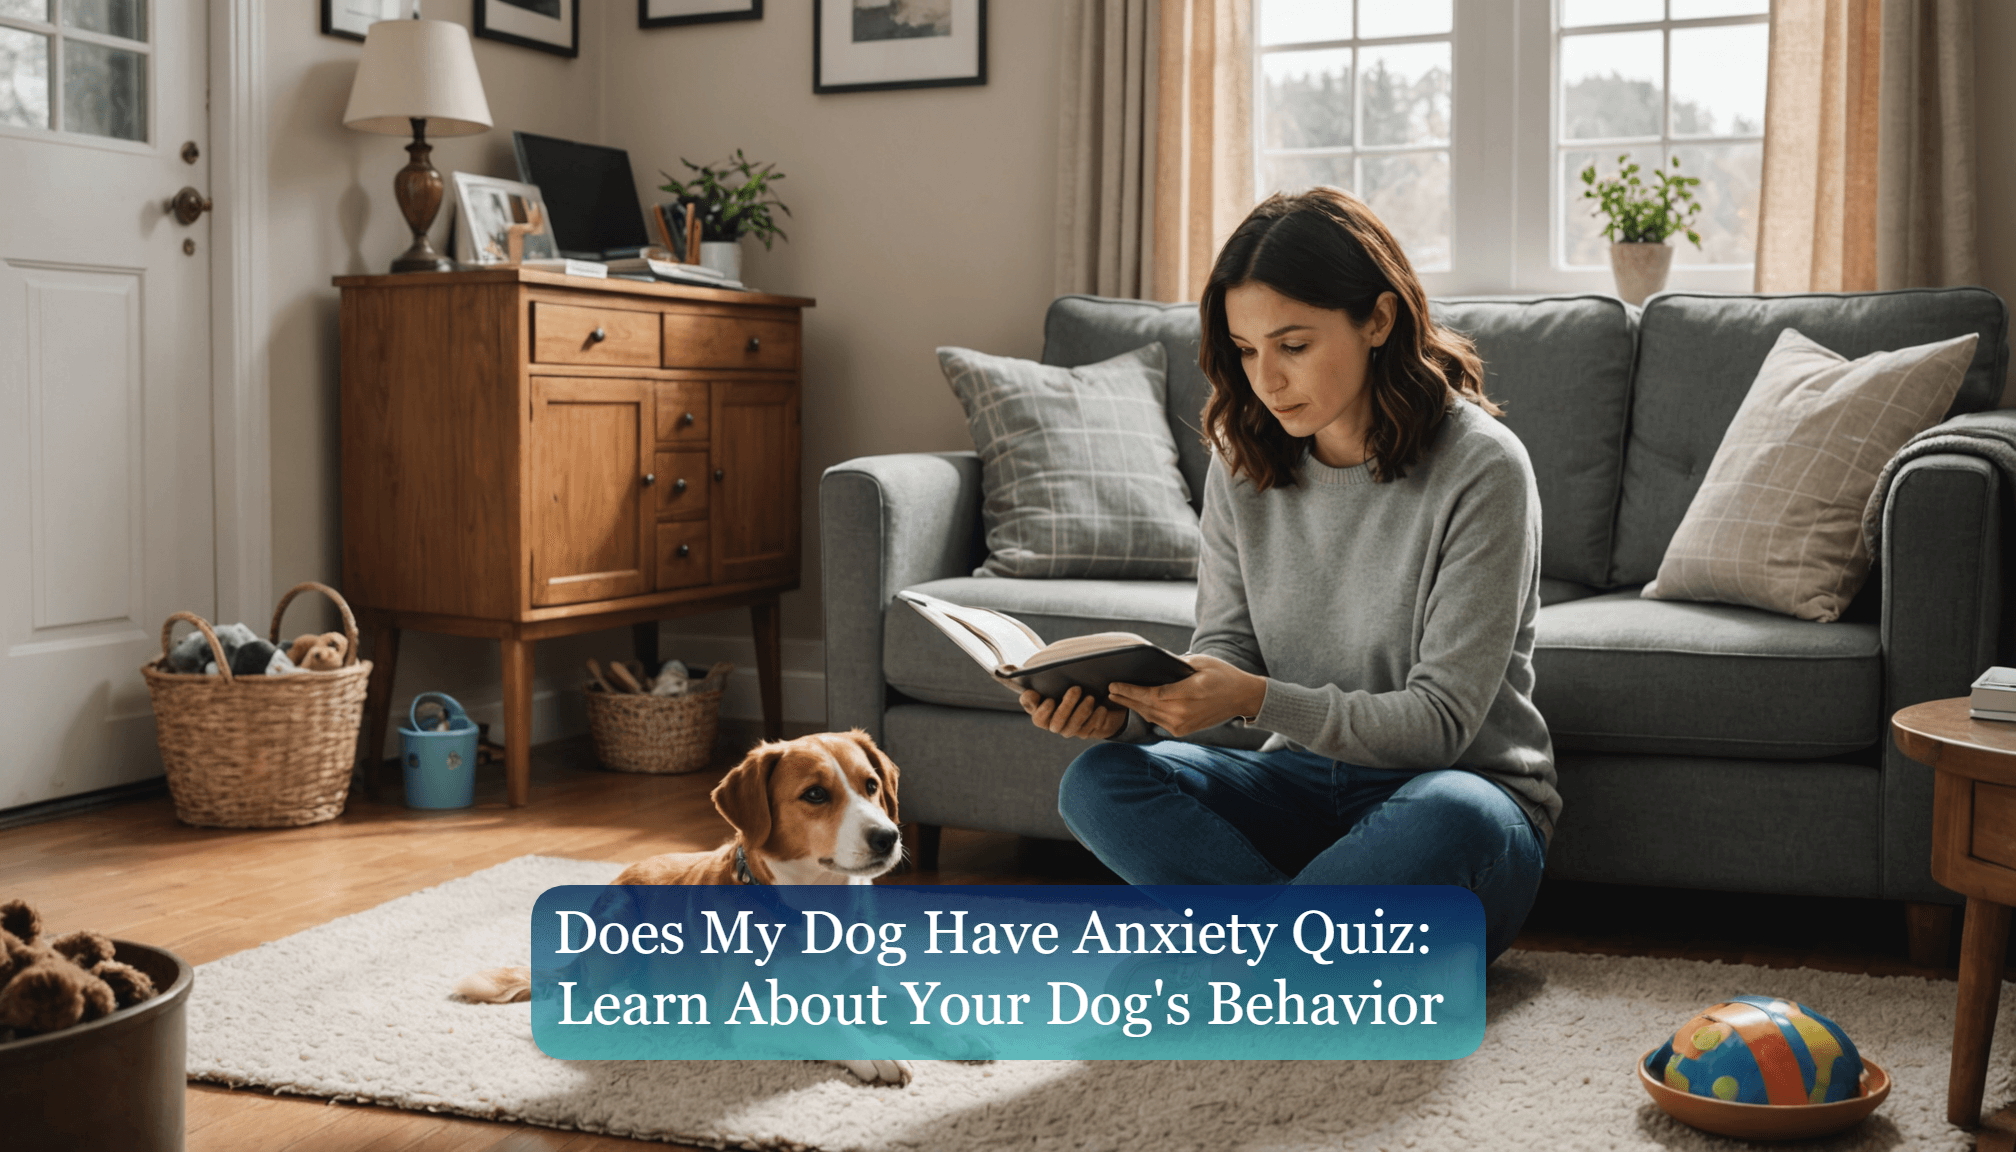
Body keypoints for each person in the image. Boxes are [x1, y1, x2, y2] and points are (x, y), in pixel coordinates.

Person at [1021, 188, 1557, 963]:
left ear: (1377, 320)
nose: (1265, 380)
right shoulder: (1244, 462)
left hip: (1450, 803)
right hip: (1298, 792)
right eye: (1244, 350)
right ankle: (1312, 954)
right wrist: (1135, 710)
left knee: (1457, 814)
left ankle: (1245, 954)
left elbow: (1441, 725)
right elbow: (1226, 654)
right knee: (1100, 783)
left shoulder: (1482, 468)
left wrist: (1256, 699)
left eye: (1293, 345)